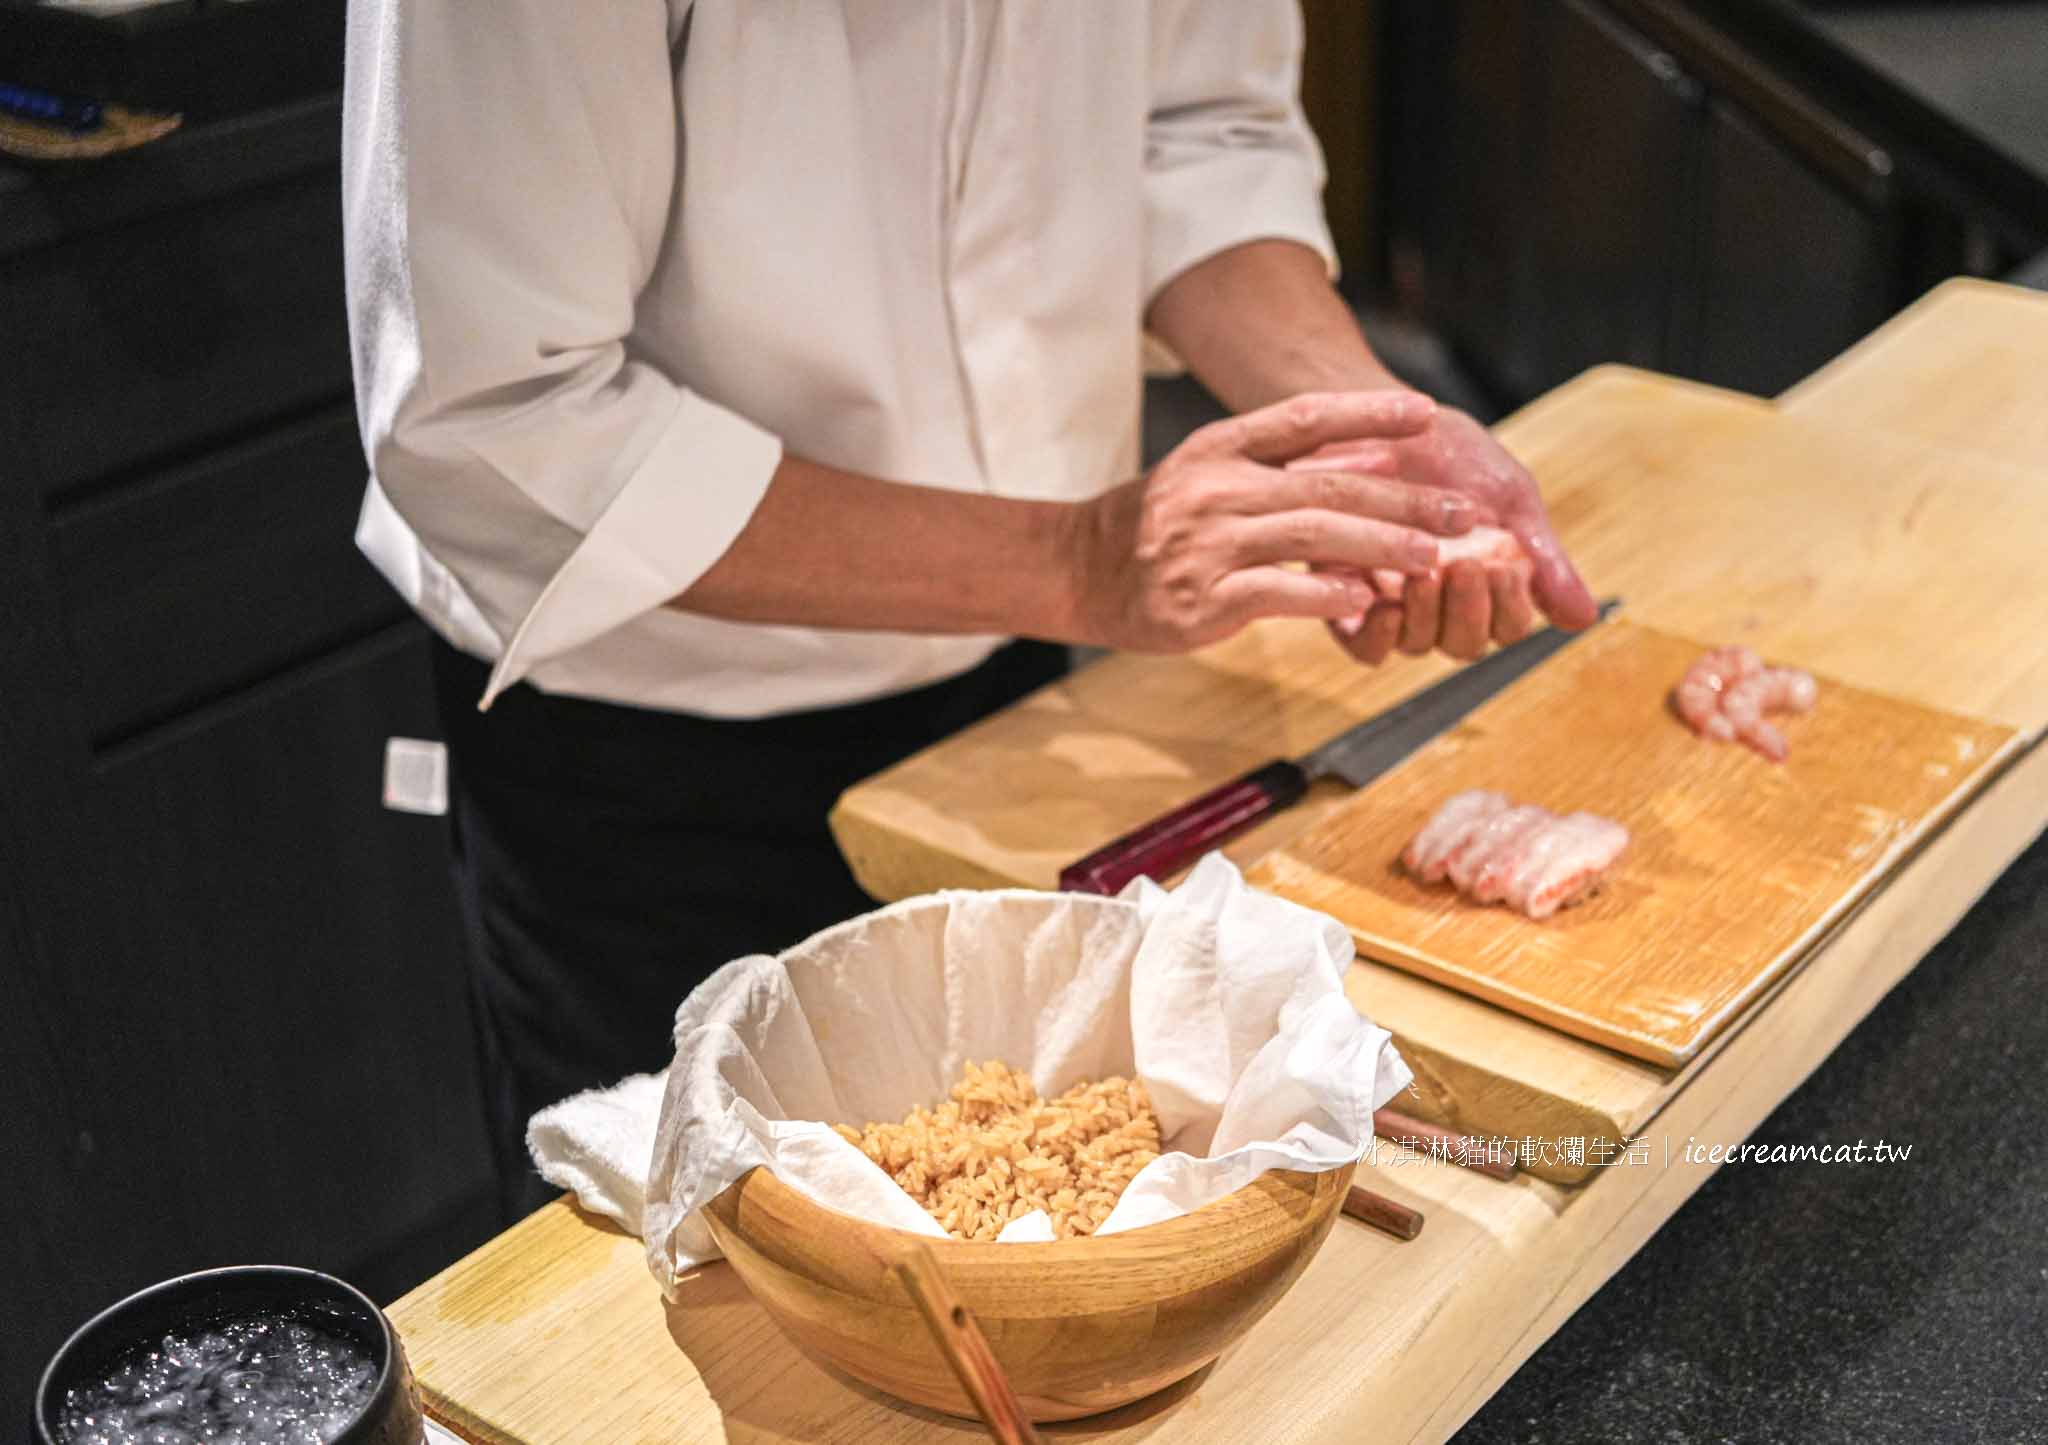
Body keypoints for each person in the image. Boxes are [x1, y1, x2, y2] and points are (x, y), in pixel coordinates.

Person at [342, 0, 1595, 1220]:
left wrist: (1360, 434)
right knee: (688, 1259)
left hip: (1022, 688)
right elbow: (498, 416)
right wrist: (1076, 562)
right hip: (653, 751)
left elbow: (1197, 131)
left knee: (1042, 1204)